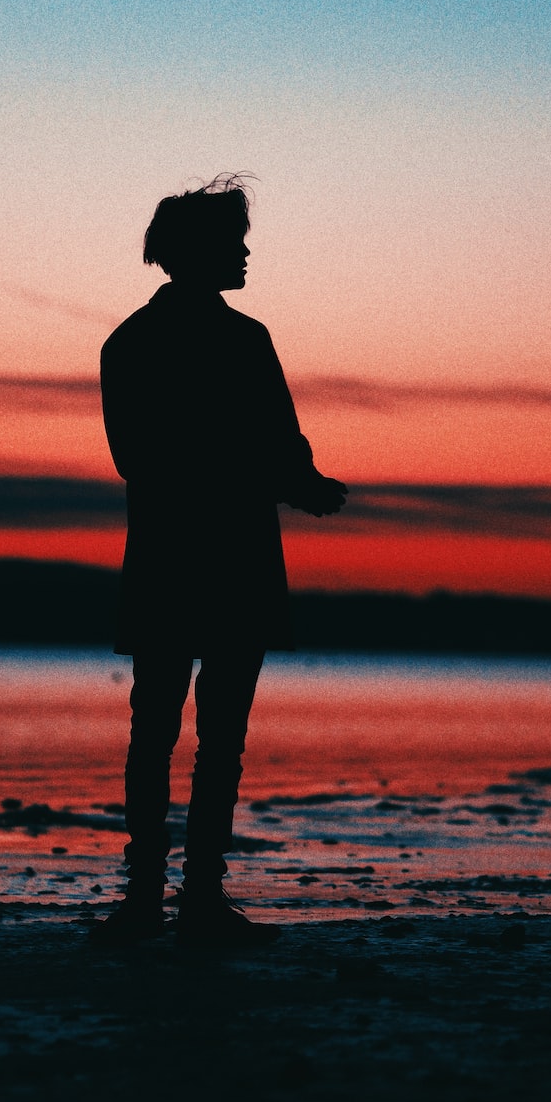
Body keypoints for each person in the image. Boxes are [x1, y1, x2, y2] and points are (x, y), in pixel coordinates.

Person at [94, 175, 347, 947]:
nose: (245, 253)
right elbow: (272, 451)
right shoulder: (240, 342)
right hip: (226, 561)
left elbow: (144, 459)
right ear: (195, 252)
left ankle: (157, 899)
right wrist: (305, 487)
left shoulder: (131, 342)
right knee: (208, 736)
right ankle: (186, 900)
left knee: (160, 729)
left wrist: (298, 480)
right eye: (233, 242)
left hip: (172, 560)